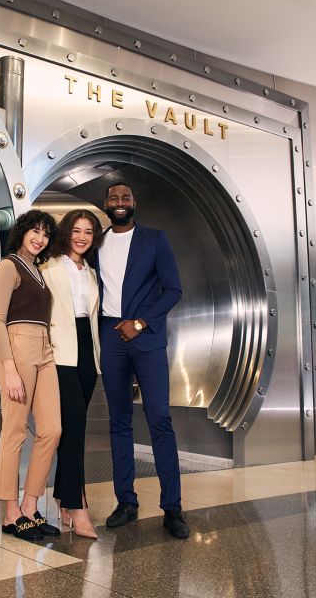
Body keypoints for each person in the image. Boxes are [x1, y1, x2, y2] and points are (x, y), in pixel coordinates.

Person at [95, 182, 189, 539]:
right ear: (106, 204)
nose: (119, 203)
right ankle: (126, 502)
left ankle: (173, 508)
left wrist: (140, 321)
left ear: (135, 203)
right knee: (118, 421)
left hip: (146, 339)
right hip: (110, 339)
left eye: (125, 198)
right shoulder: (98, 243)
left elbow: (173, 290)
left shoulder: (155, 238)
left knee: (159, 420)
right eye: (113, 198)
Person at [0, 209, 62, 541]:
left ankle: (31, 504)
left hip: (45, 349)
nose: (39, 238)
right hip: (17, 349)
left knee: (51, 430)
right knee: (15, 432)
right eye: (34, 231)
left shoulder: (38, 271)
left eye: (45, 234)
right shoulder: (9, 266)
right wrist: (9, 366)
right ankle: (10, 513)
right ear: (22, 233)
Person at [40, 209, 104, 539]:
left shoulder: (91, 272)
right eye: (77, 230)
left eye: (89, 232)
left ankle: (64, 501)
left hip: (87, 353)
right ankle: (79, 507)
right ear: (66, 232)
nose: (82, 237)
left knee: (71, 429)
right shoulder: (48, 265)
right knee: (75, 426)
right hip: (60, 351)